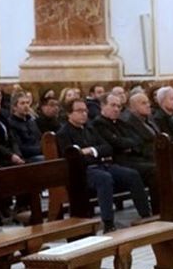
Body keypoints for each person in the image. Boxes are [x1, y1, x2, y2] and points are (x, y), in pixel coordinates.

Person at [57, 98, 152, 232]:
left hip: (102, 165)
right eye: (79, 111)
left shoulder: (89, 128)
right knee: (104, 178)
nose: (84, 114)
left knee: (132, 174)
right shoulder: (63, 133)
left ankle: (145, 215)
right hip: (84, 172)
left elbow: (107, 148)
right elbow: (74, 158)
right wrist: (96, 153)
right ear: (69, 113)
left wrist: (91, 150)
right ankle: (108, 223)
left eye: (85, 110)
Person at [6, 91, 44, 161]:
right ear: (14, 107)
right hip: (27, 157)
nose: (26, 106)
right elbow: (20, 147)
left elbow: (40, 138)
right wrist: (41, 150)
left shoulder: (31, 121)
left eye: (27, 103)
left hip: (39, 152)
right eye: (22, 103)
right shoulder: (10, 123)